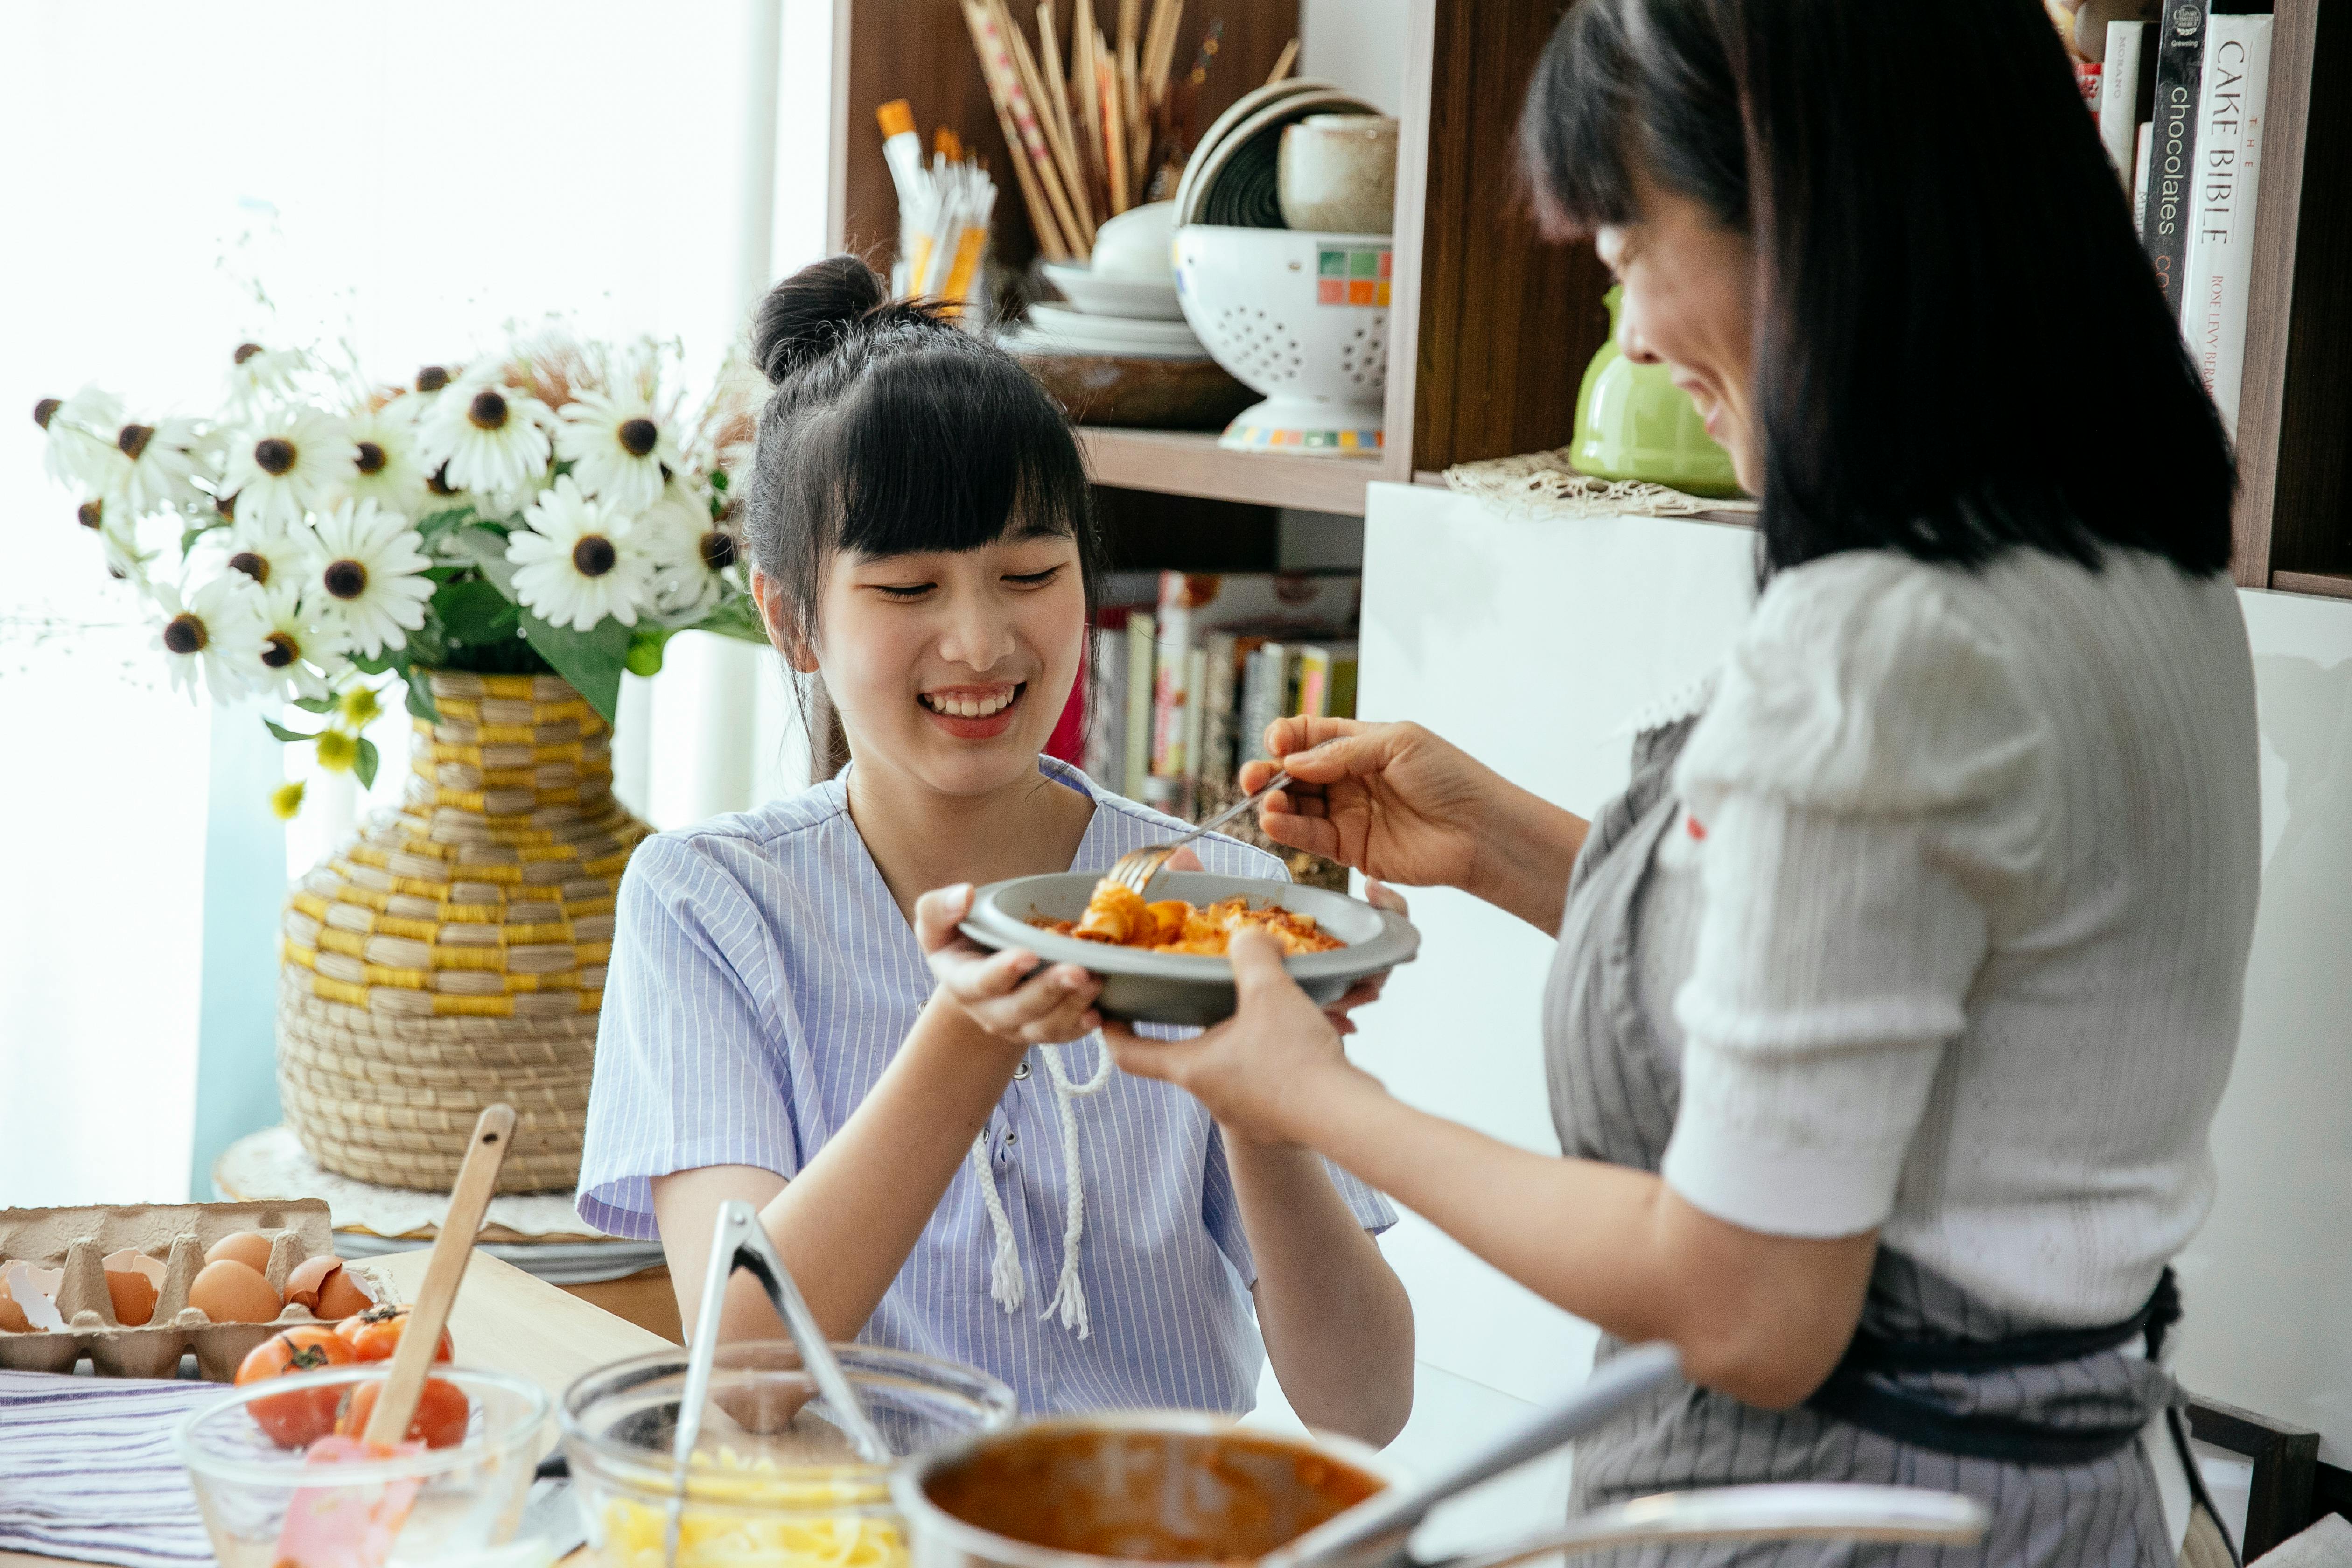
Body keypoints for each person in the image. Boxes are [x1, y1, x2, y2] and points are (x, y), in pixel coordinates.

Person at [1105, 0, 2256, 1561]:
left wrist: (1315, 1097)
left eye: (1636, 242)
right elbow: (1892, 986)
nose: (1632, 332)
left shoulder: (1881, 650)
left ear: (1814, 208)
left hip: (1840, 1520)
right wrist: (1505, 841)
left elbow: (1751, 1303)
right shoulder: (2145, 584)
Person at [574, 256, 1413, 1444]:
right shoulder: (710, 904)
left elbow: (1367, 1408)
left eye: (1030, 574)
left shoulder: (1221, 901)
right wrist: (974, 1022)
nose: (980, 640)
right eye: (909, 588)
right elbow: (745, 1371)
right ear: (789, 619)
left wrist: (1261, 1104)